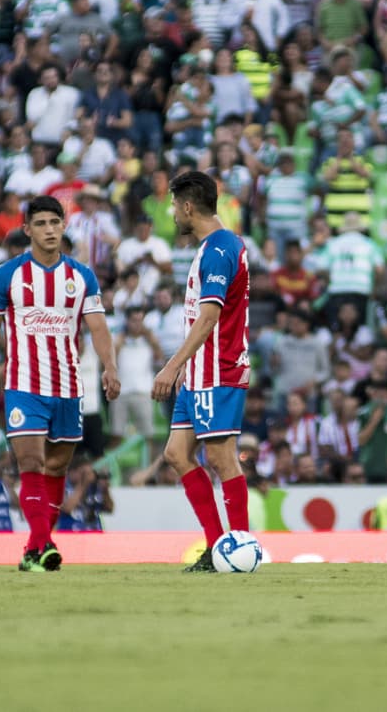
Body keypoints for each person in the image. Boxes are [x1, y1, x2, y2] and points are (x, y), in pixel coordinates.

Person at [0, 194, 120, 571]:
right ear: (27, 230)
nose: (49, 230)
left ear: (63, 226)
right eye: (41, 224)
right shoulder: (5, 275)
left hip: (68, 387)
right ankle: (45, 543)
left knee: (56, 469)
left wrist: (110, 367)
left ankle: (35, 549)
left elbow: (99, 328)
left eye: (55, 223)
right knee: (31, 462)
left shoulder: (81, 276)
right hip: (24, 385)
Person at [150, 171, 252, 573]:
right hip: (199, 371)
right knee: (177, 453)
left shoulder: (219, 249)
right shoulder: (216, 246)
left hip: (217, 369)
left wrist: (171, 367)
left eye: (175, 206)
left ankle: (241, 549)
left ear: (189, 207)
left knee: (222, 458)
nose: (173, 213)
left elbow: (209, 317)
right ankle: (216, 546)